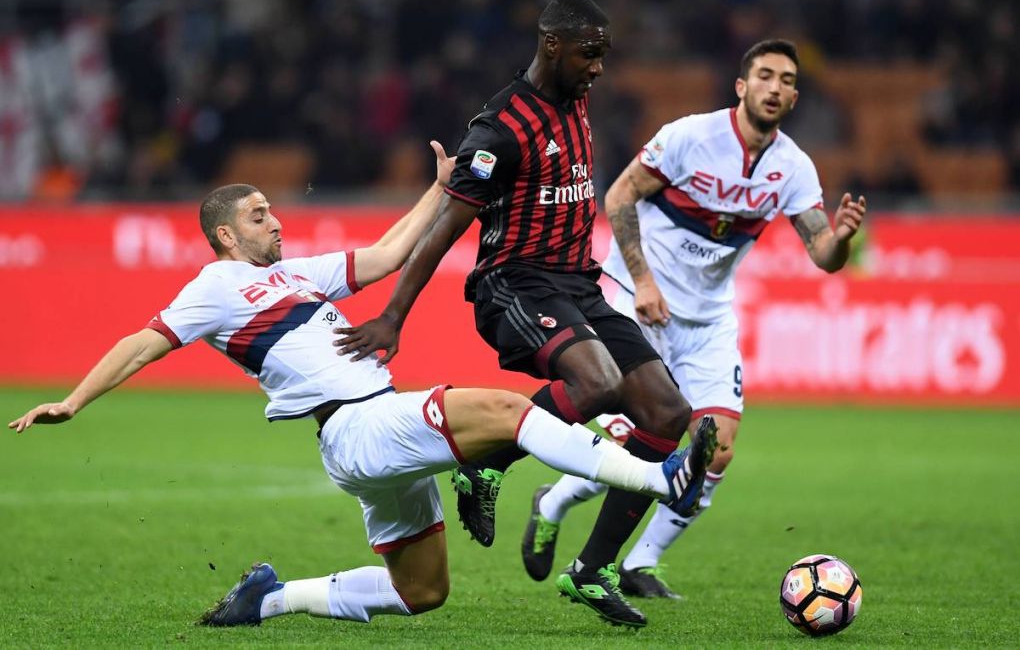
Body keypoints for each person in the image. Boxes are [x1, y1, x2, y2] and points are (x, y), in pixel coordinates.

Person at [8, 142, 705, 629]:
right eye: (257, 215)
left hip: (362, 437)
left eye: (273, 210)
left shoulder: (296, 274)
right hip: (360, 423)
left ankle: (270, 599)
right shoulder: (215, 287)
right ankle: (659, 478)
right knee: (502, 407)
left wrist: (442, 186)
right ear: (223, 234)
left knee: (423, 591)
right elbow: (142, 342)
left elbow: (386, 255)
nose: (275, 220)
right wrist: (74, 398)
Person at [334, 0, 716, 628]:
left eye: (604, 55)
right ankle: (487, 461)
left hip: (579, 286)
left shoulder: (575, 97)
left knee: (667, 412)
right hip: (513, 284)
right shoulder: (500, 129)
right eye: (589, 54)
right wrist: (393, 316)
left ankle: (593, 571)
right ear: (551, 46)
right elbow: (446, 228)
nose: (599, 67)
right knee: (597, 381)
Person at [520, 39, 869, 599]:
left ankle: (642, 562)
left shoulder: (793, 168)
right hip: (639, 305)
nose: (774, 87)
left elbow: (823, 254)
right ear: (742, 86)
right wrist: (644, 281)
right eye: (764, 76)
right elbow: (619, 197)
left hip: (708, 320)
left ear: (795, 96)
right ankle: (554, 501)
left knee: (718, 444)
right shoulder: (690, 137)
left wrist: (843, 238)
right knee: (638, 437)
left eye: (785, 80)